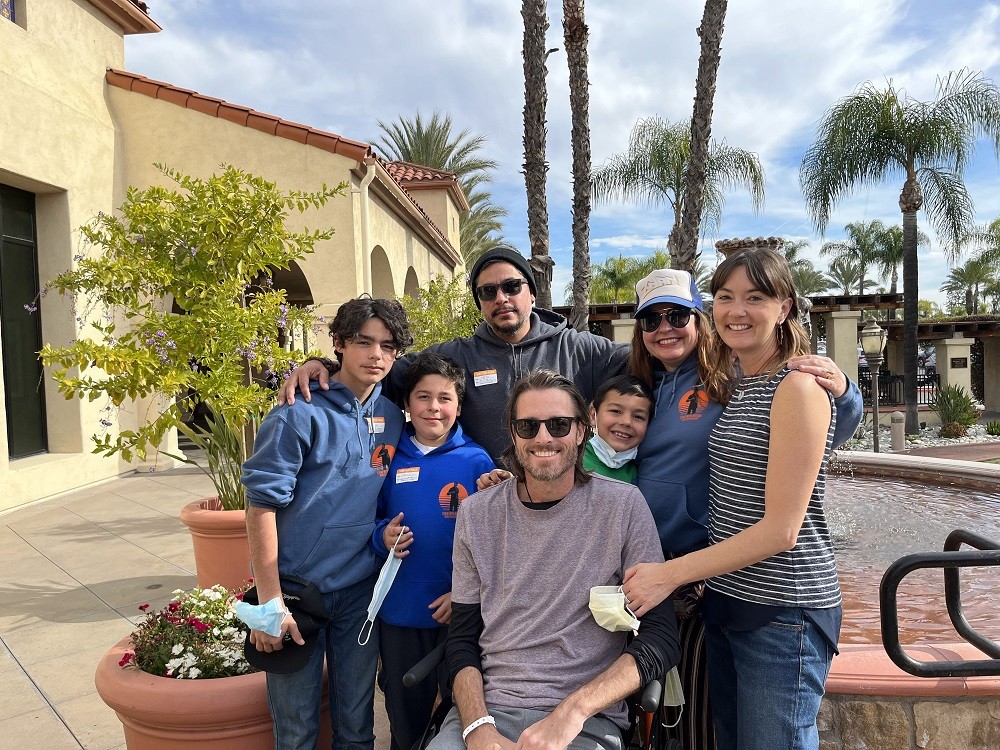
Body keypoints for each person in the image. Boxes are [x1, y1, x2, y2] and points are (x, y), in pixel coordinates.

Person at [620, 268, 863, 750]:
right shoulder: (656, 384)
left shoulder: (770, 380)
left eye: (677, 314)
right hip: (720, 591)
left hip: (772, 600)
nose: (664, 326)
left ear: (786, 306)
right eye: (651, 319)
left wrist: (845, 391)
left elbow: (786, 520)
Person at [431, 370, 681, 750]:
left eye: (559, 424)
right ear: (513, 435)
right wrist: (478, 727)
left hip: (586, 719)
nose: (544, 438)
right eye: (528, 426)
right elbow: (462, 639)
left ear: (583, 430)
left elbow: (660, 638)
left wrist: (573, 712)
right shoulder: (476, 514)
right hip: (489, 712)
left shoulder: (623, 508)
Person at [241, 296, 412, 750]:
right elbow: (260, 507)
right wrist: (269, 601)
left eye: (388, 346)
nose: (376, 355)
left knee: (357, 729)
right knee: (296, 731)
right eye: (363, 342)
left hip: (360, 593)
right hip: (297, 593)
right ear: (338, 343)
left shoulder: (393, 414)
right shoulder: (297, 412)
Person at [278, 245, 629, 462]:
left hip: (563, 499)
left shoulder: (579, 349)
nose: (501, 298)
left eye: (511, 287)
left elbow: (645, 363)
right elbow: (380, 370)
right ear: (479, 303)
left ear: (532, 294)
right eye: (488, 292)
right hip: (483, 502)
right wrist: (323, 364)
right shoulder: (455, 356)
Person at [371, 352, 495, 750]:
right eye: (423, 397)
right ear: (406, 403)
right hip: (400, 614)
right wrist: (381, 536)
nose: (433, 408)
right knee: (405, 722)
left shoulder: (477, 461)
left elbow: (493, 545)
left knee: (458, 720)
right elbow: (368, 518)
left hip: (458, 617)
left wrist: (463, 596)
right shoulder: (387, 456)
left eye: (444, 398)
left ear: (459, 405)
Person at [582, 374, 653, 483]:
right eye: (615, 411)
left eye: (638, 417)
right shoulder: (572, 459)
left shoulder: (635, 474)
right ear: (592, 415)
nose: (626, 422)